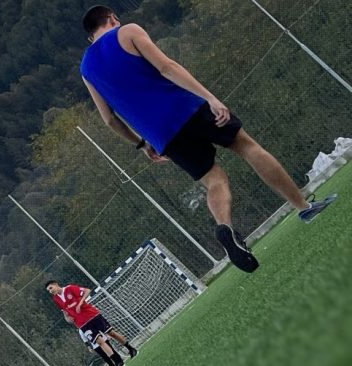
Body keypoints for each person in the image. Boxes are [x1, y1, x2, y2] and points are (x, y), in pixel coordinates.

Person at [78, 5, 337, 273]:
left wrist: (142, 143)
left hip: (163, 135)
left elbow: (109, 119)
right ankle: (304, 206)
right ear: (112, 18)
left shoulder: (86, 69)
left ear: (90, 37)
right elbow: (167, 67)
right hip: (187, 107)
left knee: (214, 179)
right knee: (247, 147)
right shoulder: (127, 31)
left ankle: (225, 227)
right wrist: (210, 98)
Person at [46, 280, 135, 366]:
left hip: (92, 315)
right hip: (82, 323)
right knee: (99, 341)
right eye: (48, 290)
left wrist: (80, 303)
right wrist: (67, 318)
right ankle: (118, 361)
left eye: (51, 288)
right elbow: (65, 312)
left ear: (56, 284)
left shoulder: (70, 288)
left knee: (111, 333)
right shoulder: (56, 299)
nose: (50, 291)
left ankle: (131, 349)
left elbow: (87, 291)